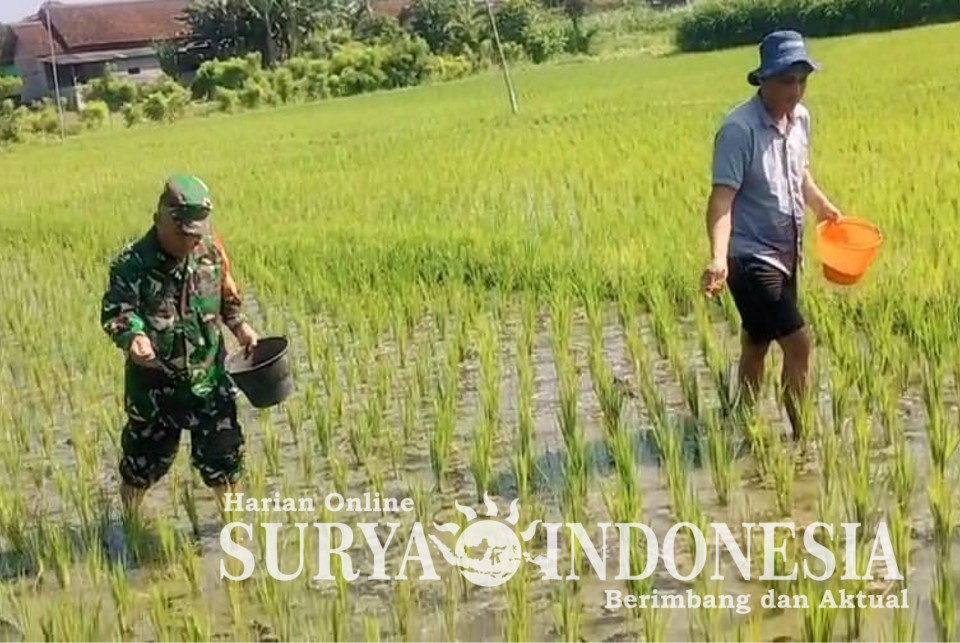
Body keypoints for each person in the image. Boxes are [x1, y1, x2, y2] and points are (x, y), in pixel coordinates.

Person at [701, 30, 842, 440]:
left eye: (802, 80)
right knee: (799, 344)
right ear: (763, 80)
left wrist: (822, 206)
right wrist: (718, 257)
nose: (795, 90)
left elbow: (800, 174)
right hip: (749, 258)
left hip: (787, 252)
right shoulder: (738, 130)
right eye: (786, 80)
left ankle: (741, 422)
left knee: (757, 340)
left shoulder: (801, 120)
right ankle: (803, 437)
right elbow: (722, 200)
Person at [100, 174, 260, 521]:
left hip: (209, 378)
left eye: (196, 234)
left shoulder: (211, 251)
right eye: (182, 233)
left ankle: (233, 530)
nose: (190, 242)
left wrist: (240, 326)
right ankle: (130, 524)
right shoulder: (132, 264)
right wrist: (133, 337)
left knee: (224, 460)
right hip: (155, 388)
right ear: (160, 219)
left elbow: (226, 295)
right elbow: (118, 311)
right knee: (141, 466)